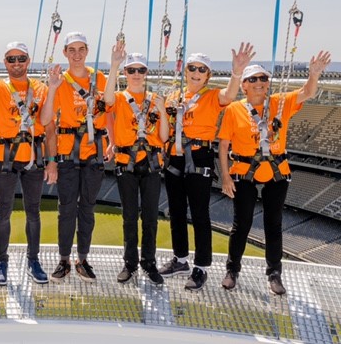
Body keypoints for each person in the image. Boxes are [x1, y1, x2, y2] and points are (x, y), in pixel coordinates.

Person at [218, 52, 331, 296]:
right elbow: (224, 145)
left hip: (276, 171)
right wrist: (225, 176)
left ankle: (274, 274)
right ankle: (232, 270)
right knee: (242, 224)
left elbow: (307, 93)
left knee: (273, 224)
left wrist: (314, 75)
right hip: (243, 171)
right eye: (253, 78)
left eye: (263, 78)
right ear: (244, 85)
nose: (259, 82)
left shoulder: (280, 102)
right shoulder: (234, 110)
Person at [159, 44, 254, 291]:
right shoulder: (174, 97)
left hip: (199, 157)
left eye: (202, 70)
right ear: (186, 70)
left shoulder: (211, 97)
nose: (196, 72)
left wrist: (236, 73)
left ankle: (201, 267)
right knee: (176, 212)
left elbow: (229, 96)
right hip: (175, 156)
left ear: (208, 75)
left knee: (200, 214)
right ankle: (180, 260)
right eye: (192, 68)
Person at [0, 41, 58, 286]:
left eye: (21, 59)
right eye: (11, 59)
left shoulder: (40, 88)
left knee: (33, 212)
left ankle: (33, 260)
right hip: (5, 157)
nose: (16, 63)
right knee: (3, 212)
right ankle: (2, 261)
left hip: (34, 157)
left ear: (28, 61)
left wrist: (52, 162)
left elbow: (49, 125)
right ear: (5, 63)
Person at [40, 31, 113, 283]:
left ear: (87, 51)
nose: (77, 54)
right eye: (72, 50)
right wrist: (51, 89)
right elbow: (46, 119)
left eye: (81, 49)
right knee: (66, 209)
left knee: (88, 209)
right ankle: (63, 260)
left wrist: (112, 140)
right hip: (68, 153)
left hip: (93, 152)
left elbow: (110, 110)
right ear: (65, 53)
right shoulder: (61, 81)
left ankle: (82, 259)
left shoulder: (100, 78)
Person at [104, 43, 169, 285]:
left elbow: (163, 137)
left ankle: (149, 262)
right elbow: (107, 99)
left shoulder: (154, 100)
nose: (136, 75)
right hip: (126, 163)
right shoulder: (120, 98)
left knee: (151, 217)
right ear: (125, 74)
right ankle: (130, 263)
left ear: (146, 73)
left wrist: (162, 110)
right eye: (131, 71)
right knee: (129, 217)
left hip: (151, 163)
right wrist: (113, 65)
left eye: (140, 70)